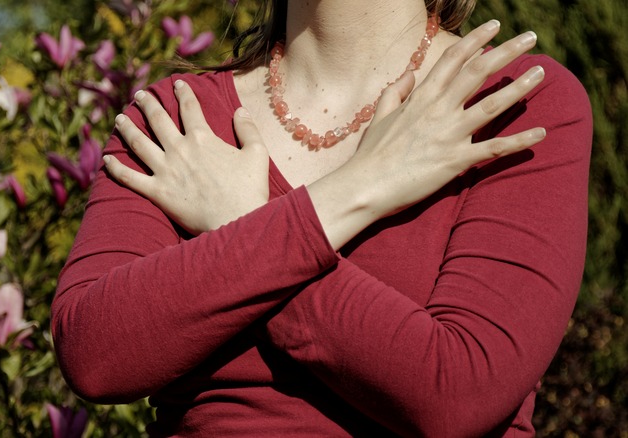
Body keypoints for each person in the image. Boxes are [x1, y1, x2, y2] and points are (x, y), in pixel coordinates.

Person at [51, 0, 592, 435]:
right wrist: (364, 185)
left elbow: (458, 392)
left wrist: (241, 221)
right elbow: (95, 351)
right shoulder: (181, 122)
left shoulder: (510, 104)